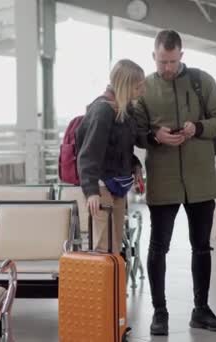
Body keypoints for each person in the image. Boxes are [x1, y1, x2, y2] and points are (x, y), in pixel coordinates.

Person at [132, 30, 216, 335]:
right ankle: (159, 313)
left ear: (181, 56)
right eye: (163, 61)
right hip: (163, 180)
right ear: (154, 56)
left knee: (201, 247)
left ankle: (201, 310)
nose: (168, 68)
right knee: (158, 247)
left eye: (173, 61)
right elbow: (136, 131)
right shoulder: (143, 88)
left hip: (200, 180)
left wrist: (196, 127)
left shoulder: (203, 81)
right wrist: (153, 136)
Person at [76, 59, 145, 253]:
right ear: (126, 86)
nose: (142, 91)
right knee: (105, 248)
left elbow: (121, 149)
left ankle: (115, 284)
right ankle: (105, 284)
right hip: (100, 188)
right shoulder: (102, 111)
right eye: (138, 87)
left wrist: (135, 166)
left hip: (118, 187)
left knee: (114, 249)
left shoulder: (123, 110)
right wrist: (91, 192)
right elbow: (88, 154)